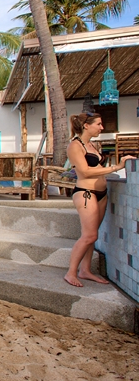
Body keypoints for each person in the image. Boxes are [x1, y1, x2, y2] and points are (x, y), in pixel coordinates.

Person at [65, 112, 135, 287]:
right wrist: (116, 167)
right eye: (99, 124)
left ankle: (85, 270)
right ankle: (71, 272)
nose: (102, 127)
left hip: (101, 194)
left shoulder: (92, 145)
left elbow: (96, 167)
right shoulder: (75, 145)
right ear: (86, 125)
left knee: (92, 235)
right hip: (86, 192)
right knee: (89, 235)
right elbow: (85, 172)